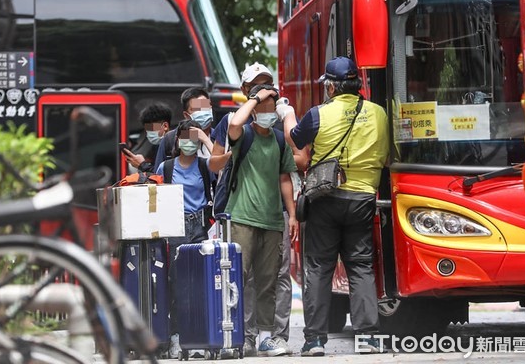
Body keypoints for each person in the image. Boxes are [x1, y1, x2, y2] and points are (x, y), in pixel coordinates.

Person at [276, 56, 389, 356]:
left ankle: (314, 340)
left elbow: (295, 140)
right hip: (365, 197)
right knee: (361, 266)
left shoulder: (318, 114)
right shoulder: (379, 113)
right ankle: (368, 338)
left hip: (326, 197)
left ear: (332, 87)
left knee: (319, 267)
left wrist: (288, 113)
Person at [225, 64, 298, 357]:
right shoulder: (243, 133)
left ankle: (268, 337)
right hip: (242, 217)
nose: (267, 107)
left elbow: (285, 178)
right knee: (240, 280)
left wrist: (292, 215)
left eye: (271, 101)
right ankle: (244, 336)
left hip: (272, 220)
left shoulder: (279, 138)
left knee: (268, 281)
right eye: (261, 103)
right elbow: (232, 125)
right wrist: (256, 98)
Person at [156, 119, 214, 359]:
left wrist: (204, 138)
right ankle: (177, 336)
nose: (189, 142)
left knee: (201, 283)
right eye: (185, 137)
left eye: (193, 137)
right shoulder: (166, 168)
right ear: (177, 140)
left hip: (200, 226)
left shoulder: (204, 166)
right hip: (175, 227)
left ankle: (199, 335)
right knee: (177, 283)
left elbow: (224, 163)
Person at [154, 88, 214, 169]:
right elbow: (158, 175)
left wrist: (205, 140)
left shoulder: (220, 138)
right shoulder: (171, 139)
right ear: (186, 115)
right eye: (197, 109)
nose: (202, 112)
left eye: (204, 107)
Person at [123, 102, 172, 173]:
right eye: (147, 129)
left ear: (165, 126)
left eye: (152, 128)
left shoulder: (175, 147)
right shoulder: (156, 147)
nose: (149, 133)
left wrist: (142, 165)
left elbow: (162, 175)